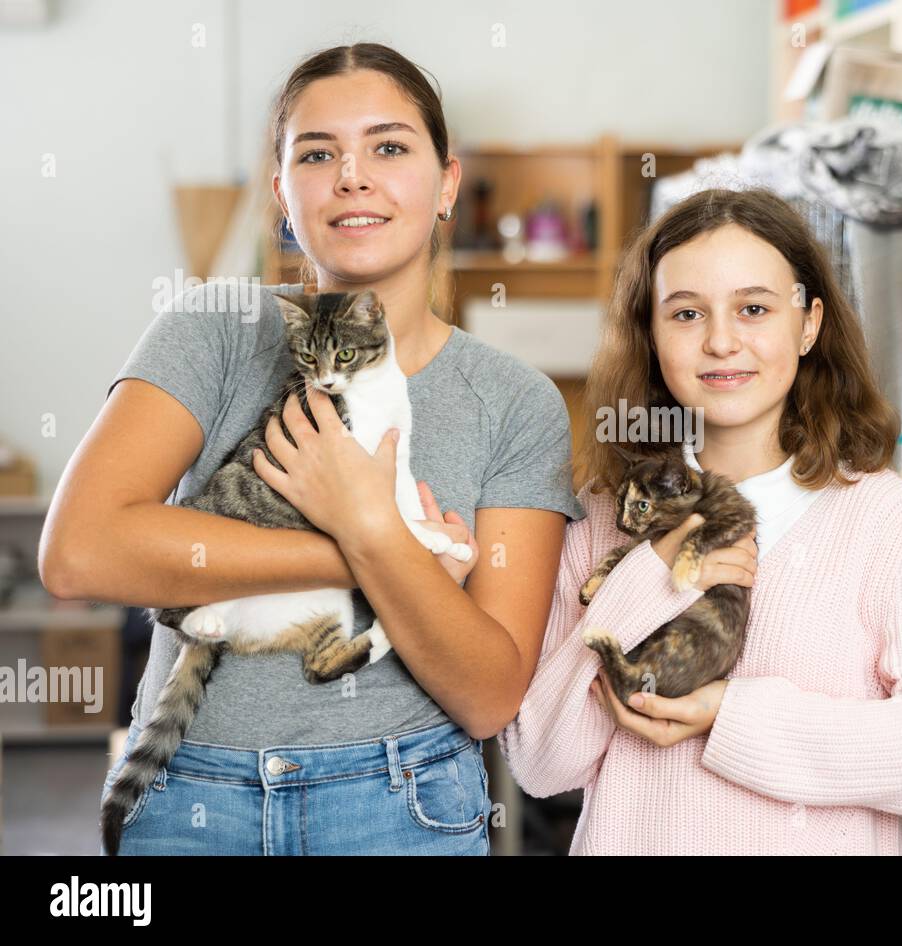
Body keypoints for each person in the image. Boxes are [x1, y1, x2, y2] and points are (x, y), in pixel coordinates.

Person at [42, 42, 585, 855]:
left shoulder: (515, 402)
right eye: (317, 152)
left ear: (446, 185)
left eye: (390, 147)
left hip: (402, 806)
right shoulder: (216, 328)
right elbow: (79, 555)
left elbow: (489, 696)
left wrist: (368, 527)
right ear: (283, 196)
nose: (352, 176)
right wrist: (367, 545)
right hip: (189, 795)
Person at [497, 187, 902, 855]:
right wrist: (654, 576)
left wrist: (730, 718)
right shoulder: (605, 514)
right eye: (686, 313)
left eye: (754, 308)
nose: (721, 341)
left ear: (808, 324)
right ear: (651, 335)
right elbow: (541, 762)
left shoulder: (882, 518)